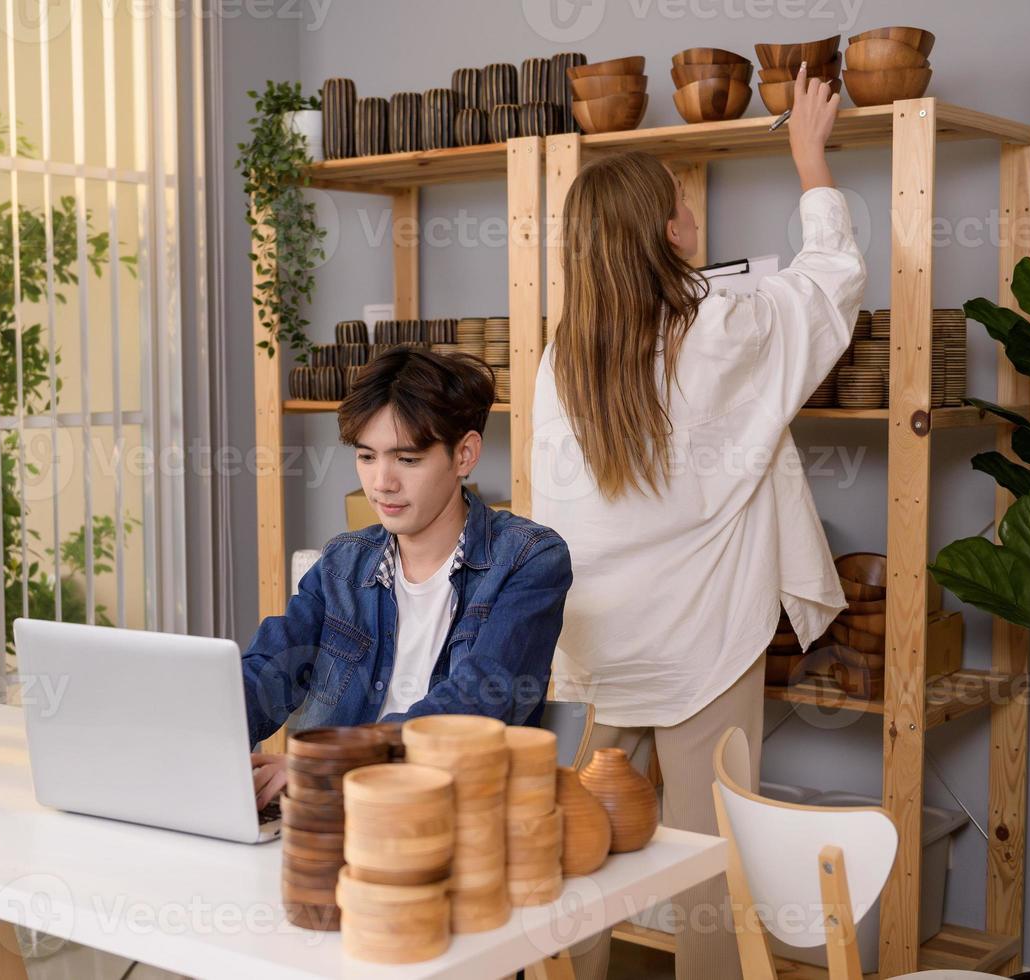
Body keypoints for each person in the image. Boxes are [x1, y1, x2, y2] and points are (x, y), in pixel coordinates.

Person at [531, 67, 863, 980]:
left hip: (598, 645)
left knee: (584, 851)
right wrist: (808, 157)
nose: (694, 221)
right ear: (663, 231)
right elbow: (830, 287)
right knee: (711, 859)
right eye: (683, 210)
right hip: (701, 642)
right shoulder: (716, 324)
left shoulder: (562, 356)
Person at [243, 347, 573, 808]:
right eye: (366, 456)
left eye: (407, 460)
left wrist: (327, 764)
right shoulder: (344, 563)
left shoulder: (528, 559)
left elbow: (476, 706)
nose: (381, 482)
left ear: (465, 454)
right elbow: (268, 670)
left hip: (452, 817)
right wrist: (197, 730)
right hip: (327, 812)